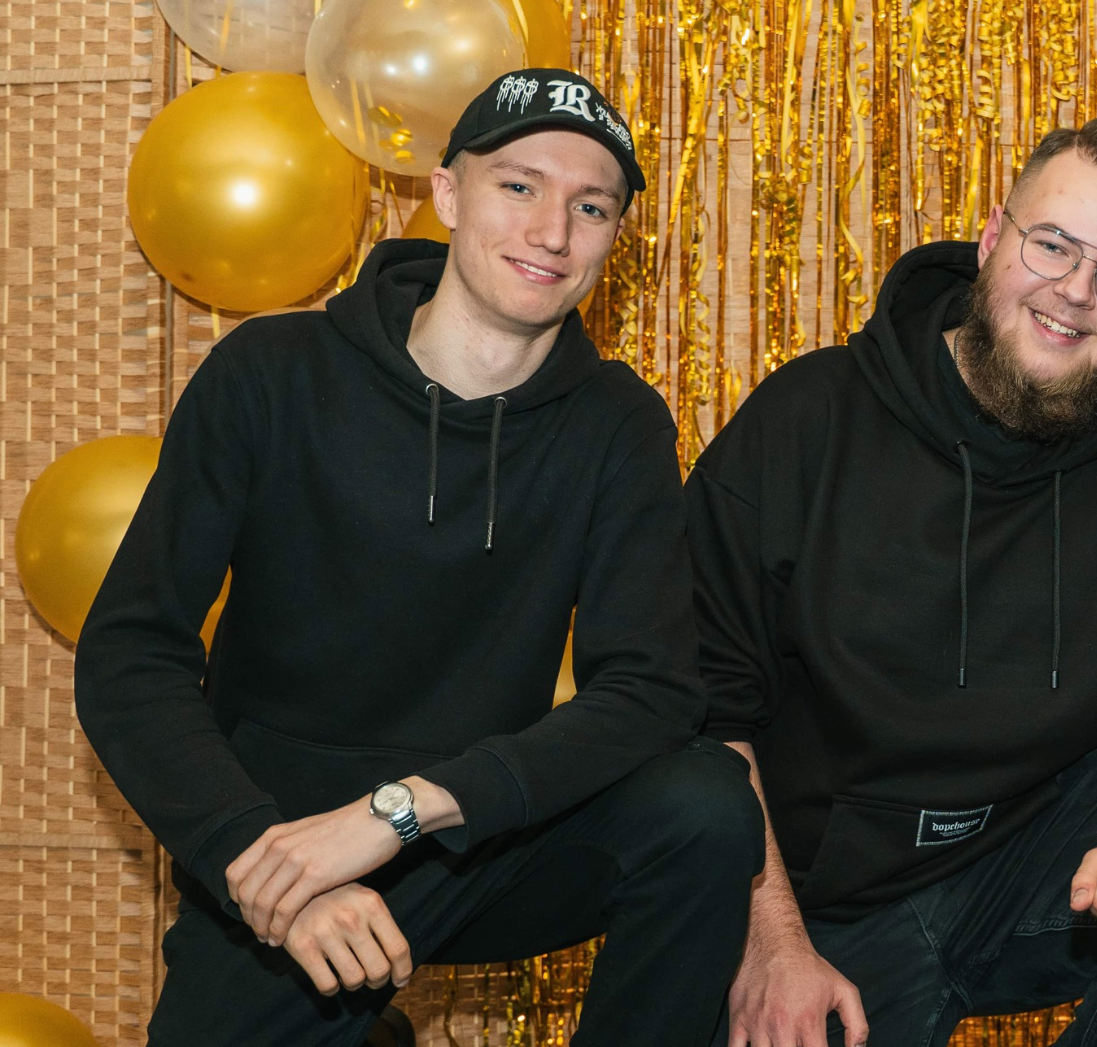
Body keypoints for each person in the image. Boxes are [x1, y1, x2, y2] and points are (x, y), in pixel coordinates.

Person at [74, 69, 763, 1047]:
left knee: (705, 806)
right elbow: (131, 652)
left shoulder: (617, 422)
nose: (552, 232)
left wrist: (403, 811)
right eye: (519, 186)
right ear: (446, 194)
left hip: (478, 836)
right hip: (289, 847)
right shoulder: (271, 374)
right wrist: (252, 852)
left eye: (591, 206)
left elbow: (651, 690)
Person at [686, 115, 1097, 1047]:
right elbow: (703, 701)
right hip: (817, 908)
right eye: (1053, 244)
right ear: (992, 237)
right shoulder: (811, 417)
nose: (1076, 291)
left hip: (1041, 871)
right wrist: (771, 947)